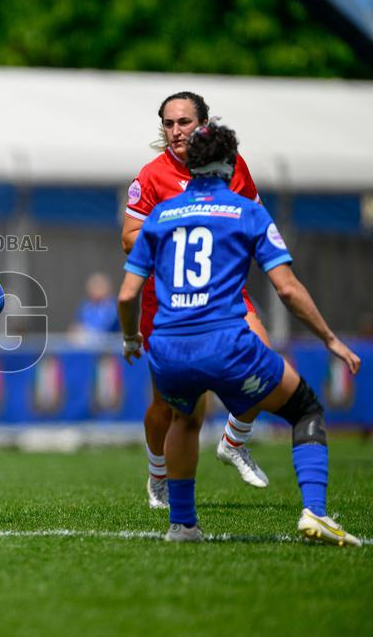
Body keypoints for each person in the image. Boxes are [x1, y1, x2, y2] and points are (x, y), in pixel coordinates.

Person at [118, 121, 362, 545]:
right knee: (305, 409)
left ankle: (183, 526)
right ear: (231, 164)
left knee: (185, 420)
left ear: (190, 165)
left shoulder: (160, 215)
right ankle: (315, 513)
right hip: (226, 342)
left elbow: (126, 296)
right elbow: (286, 287)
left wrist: (130, 338)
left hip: (168, 347)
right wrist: (329, 338)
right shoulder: (247, 210)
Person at [122, 91, 271, 509]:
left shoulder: (233, 167)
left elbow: (256, 221)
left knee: (265, 360)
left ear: (204, 124)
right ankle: (157, 476)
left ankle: (233, 442)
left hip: (223, 291)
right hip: (168, 299)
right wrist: (179, 239)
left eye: (184, 122)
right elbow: (128, 238)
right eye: (168, 124)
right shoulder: (152, 176)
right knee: (169, 405)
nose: (175, 131)